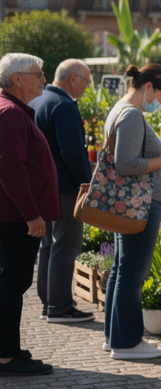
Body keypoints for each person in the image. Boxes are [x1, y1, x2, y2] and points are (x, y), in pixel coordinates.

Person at [104, 63, 161, 361]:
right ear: (148, 87)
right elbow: (126, 164)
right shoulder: (132, 114)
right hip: (139, 203)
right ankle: (127, 342)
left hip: (127, 203)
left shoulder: (119, 109)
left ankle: (114, 336)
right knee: (132, 273)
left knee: (121, 269)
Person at [0, 54, 59, 376]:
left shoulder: (14, 111)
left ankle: (7, 348)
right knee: (12, 283)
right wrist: (32, 216)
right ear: (16, 79)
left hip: (13, 216)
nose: (42, 79)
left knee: (11, 283)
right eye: (37, 74)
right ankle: (6, 357)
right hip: (14, 219)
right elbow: (10, 168)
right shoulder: (10, 113)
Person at [32, 59, 94, 323]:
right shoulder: (64, 105)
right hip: (66, 187)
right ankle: (59, 306)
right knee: (66, 246)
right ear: (73, 79)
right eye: (86, 82)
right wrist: (87, 182)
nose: (86, 87)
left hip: (46, 185)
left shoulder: (41, 100)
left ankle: (49, 302)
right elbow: (71, 151)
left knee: (49, 244)